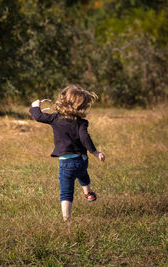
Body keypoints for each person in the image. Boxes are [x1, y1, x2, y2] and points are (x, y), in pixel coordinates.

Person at [29, 84, 105, 222]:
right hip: (82, 161)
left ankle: (66, 219)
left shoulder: (55, 118)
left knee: (66, 192)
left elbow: (38, 116)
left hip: (66, 163)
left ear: (62, 100)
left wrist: (35, 105)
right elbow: (85, 138)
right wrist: (95, 152)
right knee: (82, 174)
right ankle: (88, 193)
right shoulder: (81, 123)